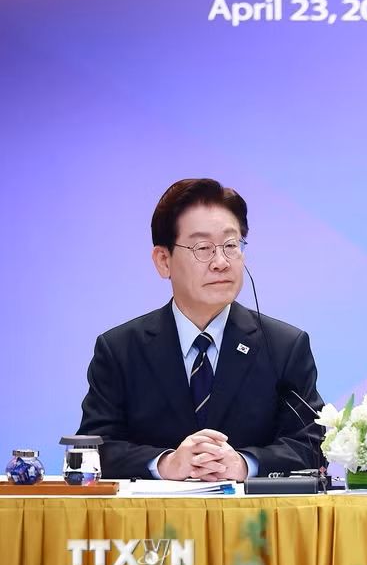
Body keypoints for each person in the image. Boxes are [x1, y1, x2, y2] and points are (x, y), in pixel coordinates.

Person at [77, 178, 324, 480]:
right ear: (163, 260)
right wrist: (166, 463)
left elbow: (312, 445)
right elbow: (94, 448)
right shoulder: (120, 350)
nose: (221, 262)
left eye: (231, 245)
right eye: (203, 248)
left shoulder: (284, 346)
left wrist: (244, 464)